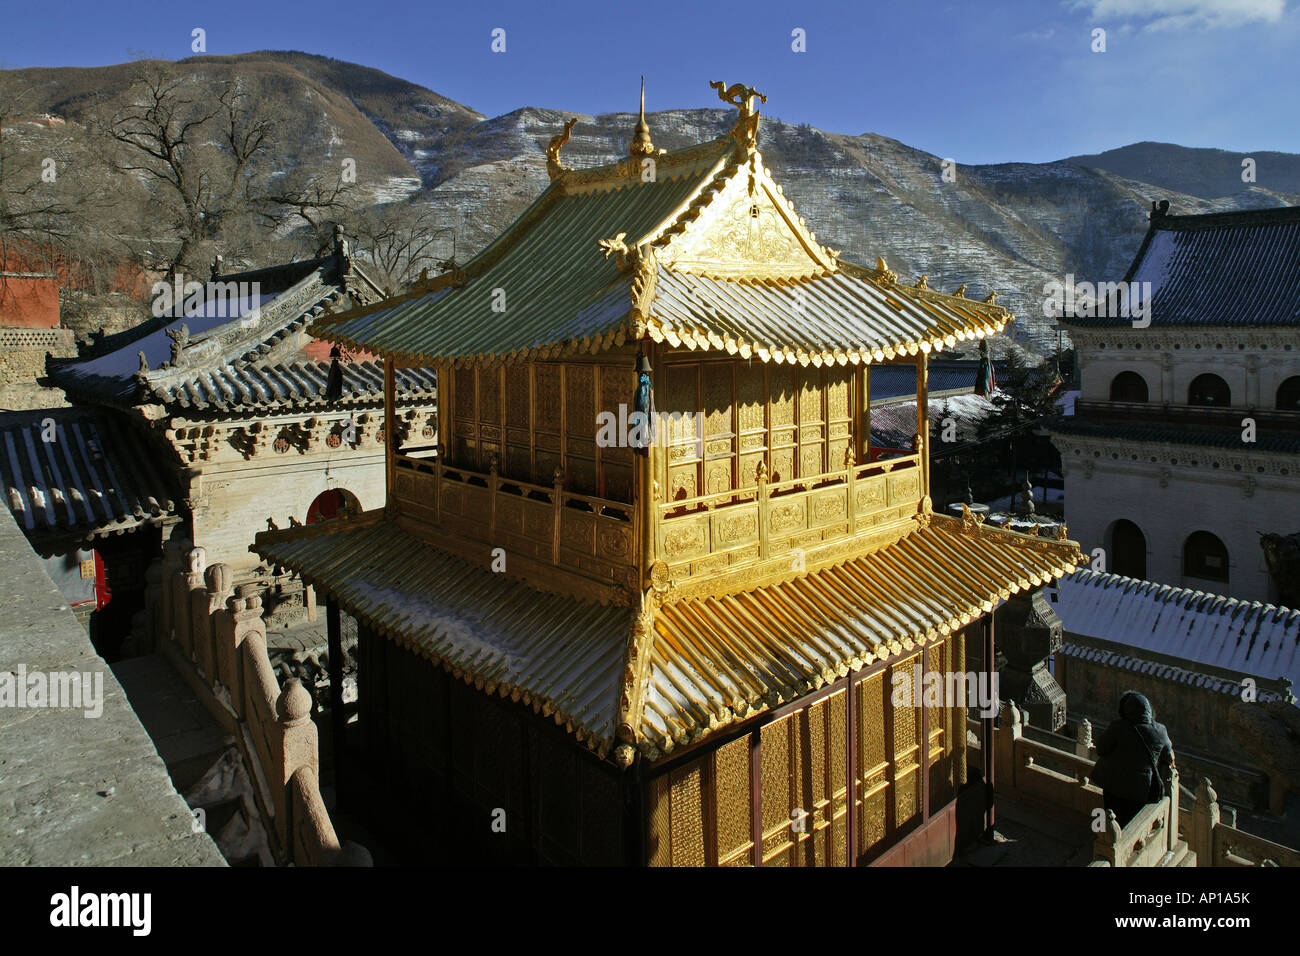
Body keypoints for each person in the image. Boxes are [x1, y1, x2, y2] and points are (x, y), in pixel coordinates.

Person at [1092, 691, 1175, 828]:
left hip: (1113, 783)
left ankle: (1100, 838)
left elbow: (1101, 749)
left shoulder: (1118, 727)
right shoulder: (1160, 731)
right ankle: (1115, 846)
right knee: (1129, 825)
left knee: (1106, 816)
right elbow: (1169, 757)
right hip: (1141, 789)